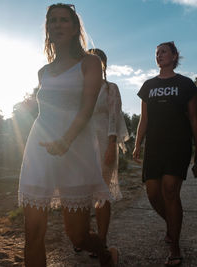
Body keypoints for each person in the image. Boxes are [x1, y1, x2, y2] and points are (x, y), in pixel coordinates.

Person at [18, 4, 118, 266]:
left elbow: (86, 109)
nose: (57, 25)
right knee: (33, 233)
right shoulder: (43, 71)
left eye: (64, 20)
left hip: (76, 149)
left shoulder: (90, 63)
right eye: (52, 21)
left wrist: (65, 140)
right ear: (47, 29)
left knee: (77, 236)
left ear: (75, 29)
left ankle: (106, 254)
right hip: (39, 147)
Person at [133, 41, 197, 266]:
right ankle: (173, 224)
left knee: (170, 191)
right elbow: (144, 119)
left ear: (174, 56)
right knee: (153, 194)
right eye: (157, 53)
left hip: (178, 144)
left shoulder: (186, 84)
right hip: (154, 145)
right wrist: (137, 144)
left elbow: (193, 119)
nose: (159, 55)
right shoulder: (148, 85)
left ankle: (175, 245)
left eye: (164, 51)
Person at [82, 48, 129, 256]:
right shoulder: (79, 87)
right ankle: (85, 237)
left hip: (104, 143)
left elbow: (113, 117)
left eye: (96, 61)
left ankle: (101, 240)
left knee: (101, 193)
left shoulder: (111, 88)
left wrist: (112, 144)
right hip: (81, 144)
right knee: (80, 192)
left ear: (103, 65)